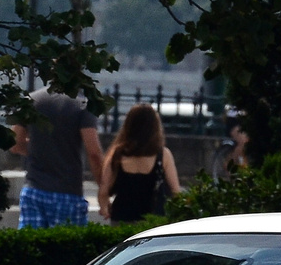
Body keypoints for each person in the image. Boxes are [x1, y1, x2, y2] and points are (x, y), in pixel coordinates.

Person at [10, 86, 104, 228]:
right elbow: (94, 153)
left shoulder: (31, 100)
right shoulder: (82, 105)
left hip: (33, 190)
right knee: (66, 247)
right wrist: (103, 189)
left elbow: (15, 144)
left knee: (30, 245)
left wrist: (40, 149)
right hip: (67, 192)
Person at [99, 103, 181, 224]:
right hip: (152, 219)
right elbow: (175, 191)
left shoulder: (117, 154)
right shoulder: (163, 155)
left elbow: (103, 190)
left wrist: (104, 208)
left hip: (121, 216)